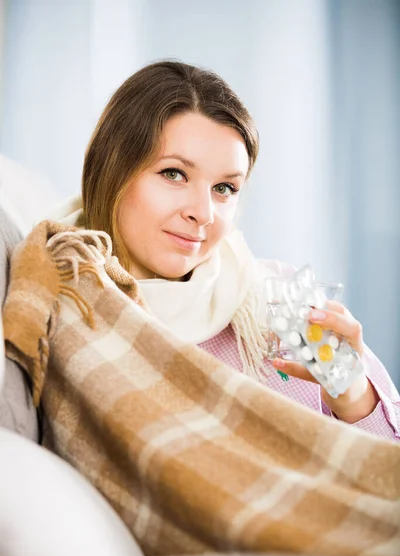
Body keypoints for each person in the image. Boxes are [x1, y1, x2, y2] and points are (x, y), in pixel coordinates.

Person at [62, 59, 398, 440]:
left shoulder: (283, 301)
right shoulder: (64, 308)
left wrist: (352, 397)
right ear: (111, 170)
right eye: (174, 174)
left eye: (225, 188)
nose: (203, 214)